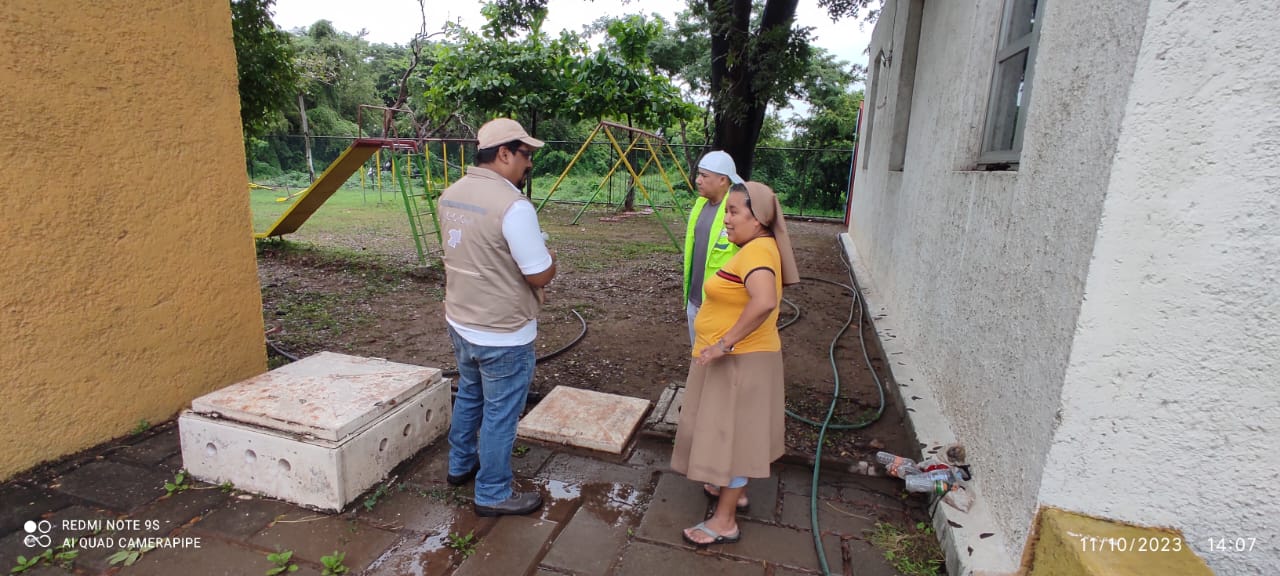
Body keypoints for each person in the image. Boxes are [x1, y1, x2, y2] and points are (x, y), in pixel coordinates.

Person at [671, 181, 800, 546]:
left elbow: (764, 301)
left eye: (733, 211)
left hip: (742, 362)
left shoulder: (757, 253)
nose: (726, 218)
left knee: (735, 439)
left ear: (757, 218)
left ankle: (725, 521)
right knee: (732, 434)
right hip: (742, 360)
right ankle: (733, 491)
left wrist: (724, 344)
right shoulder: (757, 247)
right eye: (726, 210)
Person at [439, 118, 555, 517]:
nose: (529, 163)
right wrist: (551, 258)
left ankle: (460, 465)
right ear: (504, 153)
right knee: (501, 414)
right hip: (503, 333)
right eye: (525, 155)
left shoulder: (451, 194)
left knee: (471, 393)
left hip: (461, 321)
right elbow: (538, 273)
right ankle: (491, 492)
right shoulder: (513, 206)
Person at [683, 151, 744, 347]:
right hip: (694, 300)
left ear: (722, 180)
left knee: (718, 358)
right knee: (698, 355)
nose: (698, 180)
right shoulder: (700, 205)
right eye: (699, 174)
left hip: (722, 306)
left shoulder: (738, 212)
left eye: (704, 176)